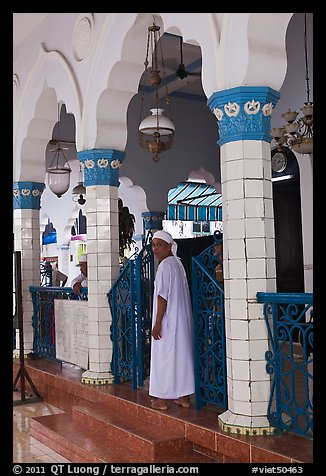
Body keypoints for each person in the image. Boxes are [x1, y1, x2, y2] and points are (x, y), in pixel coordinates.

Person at [149, 230, 195, 411]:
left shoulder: (165, 266)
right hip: (181, 321)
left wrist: (158, 322)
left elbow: (162, 297)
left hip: (168, 321)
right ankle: (184, 397)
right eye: (153, 245)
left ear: (169, 246)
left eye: (159, 245)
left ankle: (161, 399)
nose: (155, 249)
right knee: (181, 357)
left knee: (164, 357)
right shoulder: (178, 264)